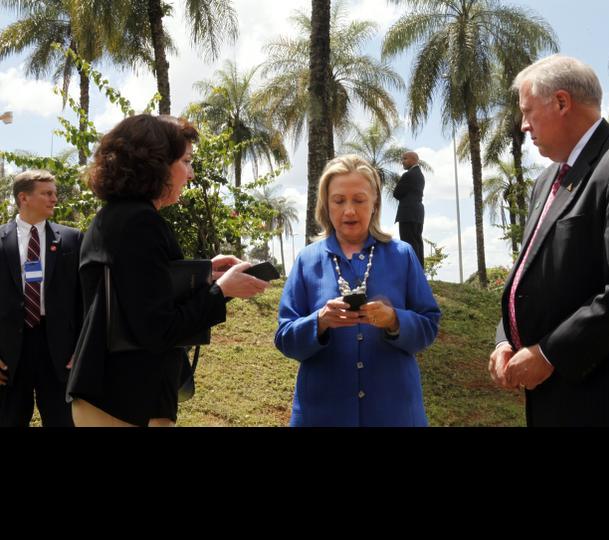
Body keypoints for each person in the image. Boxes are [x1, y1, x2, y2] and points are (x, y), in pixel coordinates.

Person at [67, 114, 268, 427]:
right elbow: (157, 329)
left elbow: (141, 296)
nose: (190, 173)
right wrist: (221, 290)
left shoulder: (113, 218)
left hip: (112, 397)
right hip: (125, 402)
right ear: (155, 164)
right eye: (186, 161)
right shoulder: (140, 223)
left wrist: (205, 276)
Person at [488, 54, 609, 427]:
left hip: (602, 398)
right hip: (552, 400)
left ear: (561, 102)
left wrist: (550, 354)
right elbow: (526, 275)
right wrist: (504, 338)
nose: (523, 126)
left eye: (528, 112)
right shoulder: (547, 180)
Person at [276, 154, 440, 427]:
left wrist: (394, 320)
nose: (349, 210)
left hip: (394, 415)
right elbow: (285, 338)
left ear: (374, 203)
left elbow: (429, 326)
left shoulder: (403, 255)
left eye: (359, 200)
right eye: (339, 201)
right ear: (325, 205)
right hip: (321, 416)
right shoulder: (307, 260)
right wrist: (319, 322)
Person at [0, 170, 83, 428]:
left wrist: (80, 348)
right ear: (24, 198)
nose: (54, 199)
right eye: (47, 193)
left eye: (54, 193)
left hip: (58, 349)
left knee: (63, 421)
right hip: (10, 350)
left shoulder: (72, 239)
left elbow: (84, 299)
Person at [392, 150, 425, 268]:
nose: (402, 162)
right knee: (417, 241)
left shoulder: (408, 175)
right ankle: (419, 269)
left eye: (405, 159)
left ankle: (412, 268)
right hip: (417, 212)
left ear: (413, 159)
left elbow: (396, 193)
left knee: (408, 242)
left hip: (408, 212)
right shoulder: (420, 175)